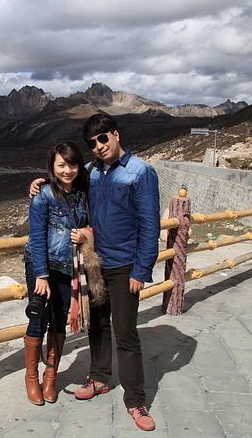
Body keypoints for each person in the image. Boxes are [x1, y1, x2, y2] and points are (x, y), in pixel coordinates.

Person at [29, 113, 160, 431]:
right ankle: (99, 378)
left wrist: (142, 269)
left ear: (115, 135)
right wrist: (41, 183)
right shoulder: (91, 172)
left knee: (126, 333)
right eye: (92, 143)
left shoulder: (141, 172)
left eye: (103, 138)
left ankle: (136, 401)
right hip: (93, 263)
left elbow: (150, 223)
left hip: (125, 265)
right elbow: (66, 184)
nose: (98, 146)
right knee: (98, 326)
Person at [23, 141, 92, 406]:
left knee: (60, 320)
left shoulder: (83, 191)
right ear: (52, 166)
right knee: (38, 318)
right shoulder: (44, 195)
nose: (67, 170)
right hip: (42, 266)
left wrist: (86, 233)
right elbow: (37, 237)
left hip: (68, 265)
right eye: (61, 165)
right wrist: (41, 275)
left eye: (72, 164)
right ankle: (32, 378)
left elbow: (91, 223)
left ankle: (50, 377)